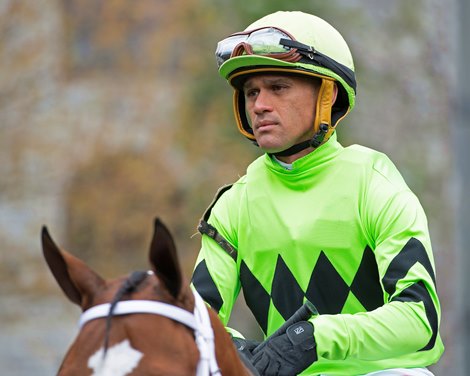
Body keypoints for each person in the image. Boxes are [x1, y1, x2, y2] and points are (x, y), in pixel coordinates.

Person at [191, 10, 444, 376]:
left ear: (327, 94)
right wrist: (236, 349)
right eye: (251, 92)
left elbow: (421, 321)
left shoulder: (373, 183)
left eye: (278, 87)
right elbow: (197, 323)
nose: (259, 105)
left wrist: (314, 337)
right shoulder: (235, 204)